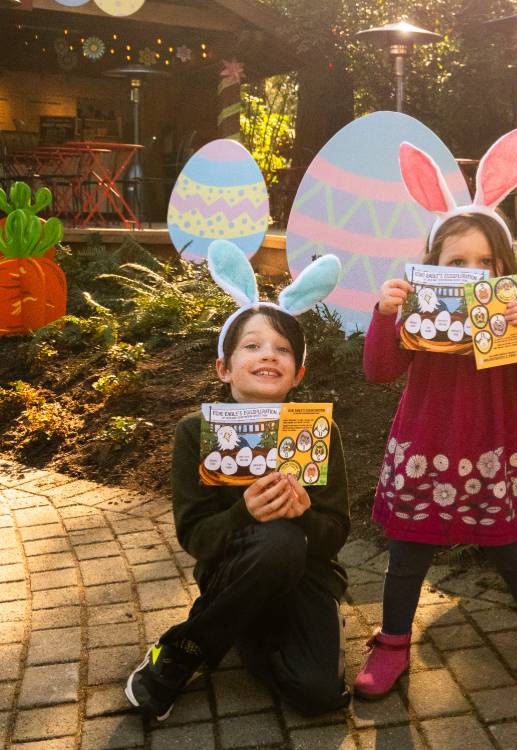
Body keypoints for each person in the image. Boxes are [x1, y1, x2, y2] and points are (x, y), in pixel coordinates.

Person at [354, 130, 517, 698]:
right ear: (433, 267)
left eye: (485, 261)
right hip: (424, 452)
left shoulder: (510, 319)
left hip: (487, 458)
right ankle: (393, 642)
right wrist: (385, 313)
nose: (472, 273)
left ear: (503, 268)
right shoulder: (417, 316)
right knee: (407, 554)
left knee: (512, 550)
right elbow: (379, 370)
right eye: (457, 262)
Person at [125, 242, 351, 720]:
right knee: (276, 541)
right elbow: (196, 537)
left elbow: (336, 531)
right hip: (233, 568)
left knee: (319, 696)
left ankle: (240, 632)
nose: (268, 355)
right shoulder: (196, 432)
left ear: (297, 373)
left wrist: (305, 514)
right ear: (224, 368)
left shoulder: (316, 431)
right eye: (252, 346)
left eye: (283, 349)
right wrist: (244, 512)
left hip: (308, 573)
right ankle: (180, 654)